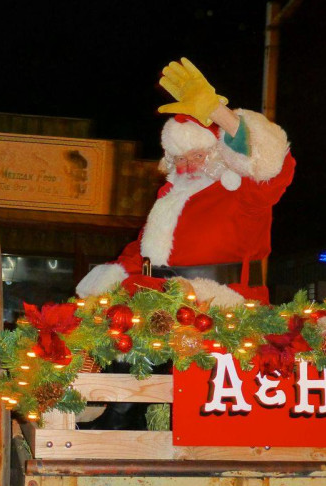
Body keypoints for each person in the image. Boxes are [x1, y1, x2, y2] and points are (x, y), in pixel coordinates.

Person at [76, 57, 296, 305]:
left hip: (225, 309)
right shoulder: (169, 200)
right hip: (162, 307)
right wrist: (100, 287)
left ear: (217, 153)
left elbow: (272, 164)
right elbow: (140, 256)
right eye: (180, 158)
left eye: (198, 155)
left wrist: (217, 112)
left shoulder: (245, 190)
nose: (189, 165)